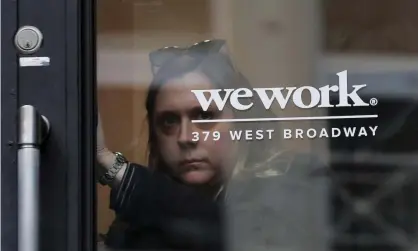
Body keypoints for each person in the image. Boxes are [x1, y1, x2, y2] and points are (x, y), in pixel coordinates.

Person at [97, 39, 328, 250]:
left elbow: (242, 236)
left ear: (241, 121)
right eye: (169, 121)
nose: (186, 137)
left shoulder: (296, 183)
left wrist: (118, 171)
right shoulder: (140, 221)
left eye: (205, 116)